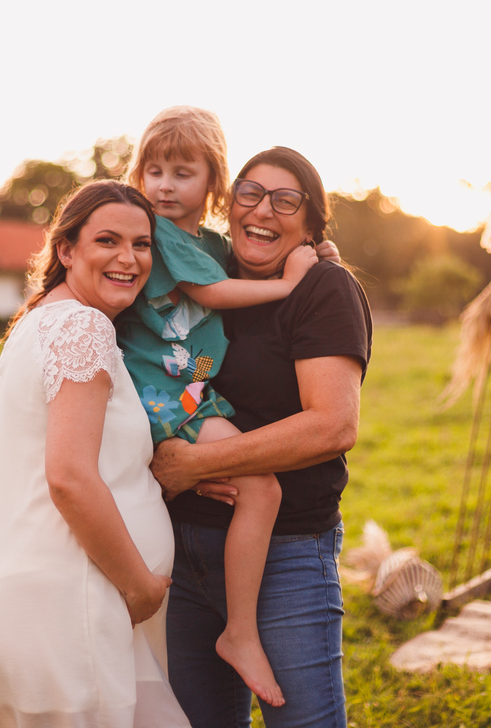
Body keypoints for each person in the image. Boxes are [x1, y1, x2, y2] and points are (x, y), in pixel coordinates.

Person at [150, 147, 372, 728]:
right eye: (250, 193)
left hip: (286, 552)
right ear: (229, 204)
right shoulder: (200, 272)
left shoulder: (323, 288)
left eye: (286, 201)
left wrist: (195, 465)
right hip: (183, 551)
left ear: (311, 225)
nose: (264, 210)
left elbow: (333, 425)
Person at [0, 180, 191, 728]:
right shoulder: (81, 326)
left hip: (64, 604)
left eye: (141, 244)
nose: (128, 258)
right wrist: (140, 585)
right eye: (107, 241)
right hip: (73, 609)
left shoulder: (41, 321)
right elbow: (69, 477)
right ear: (66, 250)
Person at [118, 106, 318, 707]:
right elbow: (211, 292)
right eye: (154, 171)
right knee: (263, 489)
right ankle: (240, 633)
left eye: (182, 173)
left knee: (250, 486)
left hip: (193, 387)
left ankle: (235, 627)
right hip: (162, 396)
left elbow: (247, 256)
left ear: (213, 184)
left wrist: (312, 252)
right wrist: (290, 283)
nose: (163, 186)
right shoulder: (157, 234)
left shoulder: (206, 242)